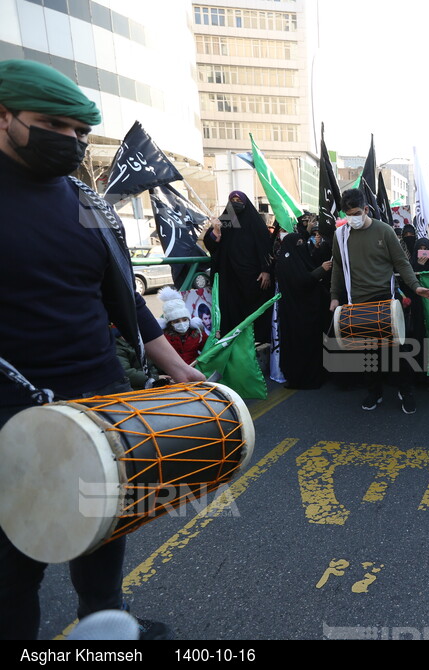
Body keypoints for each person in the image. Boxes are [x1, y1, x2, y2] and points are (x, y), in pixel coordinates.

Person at [0, 59, 206, 640]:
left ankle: (106, 627)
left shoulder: (86, 202)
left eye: (80, 133)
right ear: (4, 116)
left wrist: (179, 370)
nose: (69, 141)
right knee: (15, 567)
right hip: (12, 419)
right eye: (53, 125)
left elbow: (126, 303)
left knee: (102, 530)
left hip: (102, 403)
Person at [329, 189, 429, 413]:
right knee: (367, 351)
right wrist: (333, 296)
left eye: (357, 213)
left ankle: (405, 391)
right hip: (356, 301)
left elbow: (401, 263)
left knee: (397, 350)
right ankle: (374, 392)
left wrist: (416, 287)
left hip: (385, 300)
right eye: (349, 214)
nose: (353, 218)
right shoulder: (340, 235)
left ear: (366, 209)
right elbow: (338, 268)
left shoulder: (385, 231)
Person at [203, 191, 273, 343]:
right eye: (232, 200)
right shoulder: (226, 220)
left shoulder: (255, 222)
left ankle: (257, 343)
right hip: (229, 278)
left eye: (238, 200)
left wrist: (266, 270)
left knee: (254, 314)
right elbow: (210, 245)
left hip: (252, 278)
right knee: (231, 313)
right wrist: (216, 231)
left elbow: (265, 247)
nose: (235, 202)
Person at [274, 212, 327, 389]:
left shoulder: (294, 256)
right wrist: (322, 270)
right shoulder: (286, 262)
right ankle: (300, 378)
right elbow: (302, 280)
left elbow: (306, 267)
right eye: (298, 243)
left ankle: (311, 376)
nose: (301, 245)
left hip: (302, 311)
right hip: (295, 313)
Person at [157, 286, 208, 366]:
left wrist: (215, 338)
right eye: (176, 321)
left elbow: (207, 348)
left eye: (184, 319)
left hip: (195, 368)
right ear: (170, 323)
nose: (181, 323)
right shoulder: (164, 337)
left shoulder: (198, 333)